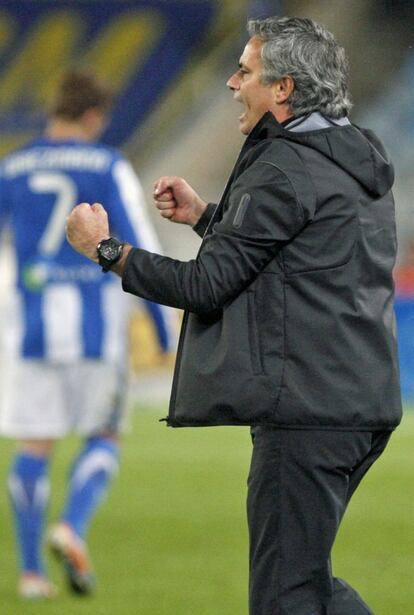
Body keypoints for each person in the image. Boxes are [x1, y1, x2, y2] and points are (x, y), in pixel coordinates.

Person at [66, 16, 402, 615]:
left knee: (286, 596)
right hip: (361, 401)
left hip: (308, 410)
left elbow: (204, 284)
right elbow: (297, 250)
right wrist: (207, 218)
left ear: (284, 90)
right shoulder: (357, 154)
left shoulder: (282, 167)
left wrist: (106, 250)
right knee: (307, 585)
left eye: (244, 71)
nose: (229, 82)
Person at [0, 70, 176, 599]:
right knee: (104, 433)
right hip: (96, 331)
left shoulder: (13, 166)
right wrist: (163, 327)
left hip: (31, 329)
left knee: (35, 443)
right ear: (95, 116)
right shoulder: (107, 164)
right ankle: (72, 525)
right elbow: (139, 242)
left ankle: (31, 575)